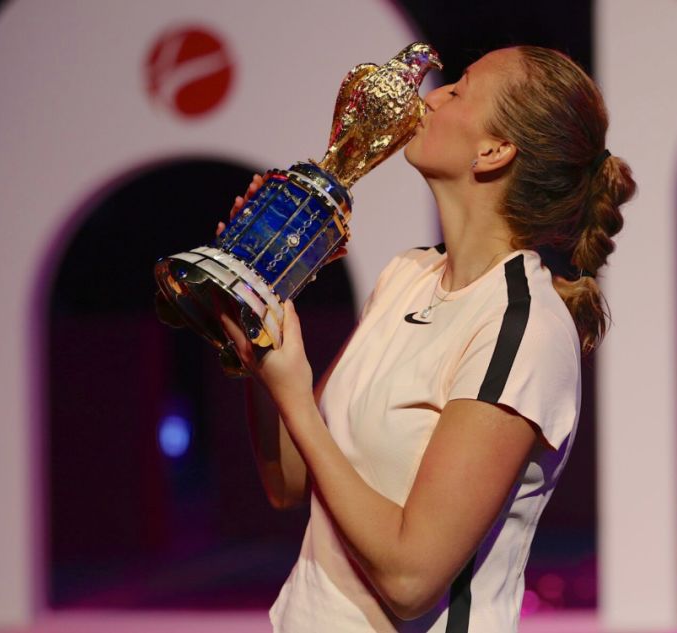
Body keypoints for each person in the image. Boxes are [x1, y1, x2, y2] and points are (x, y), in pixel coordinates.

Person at [219, 45, 636, 632]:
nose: (432, 96)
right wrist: (257, 321)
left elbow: (412, 580)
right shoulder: (406, 276)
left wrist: (296, 396)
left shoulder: (522, 327)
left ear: (494, 151)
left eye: (459, 89)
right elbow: (289, 482)